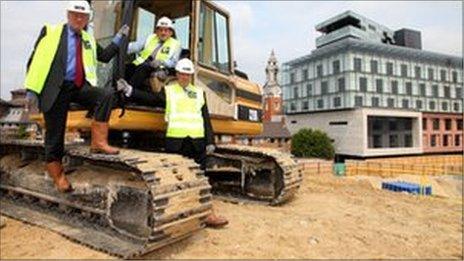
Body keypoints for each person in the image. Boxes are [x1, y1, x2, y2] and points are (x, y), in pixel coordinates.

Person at [24, 1, 130, 193]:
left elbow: (105, 56)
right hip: (55, 88)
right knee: (55, 135)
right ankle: (58, 175)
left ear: (88, 19)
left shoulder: (88, 39)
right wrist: (32, 89)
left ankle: (98, 141)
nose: (79, 18)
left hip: (78, 87)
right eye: (75, 14)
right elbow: (35, 59)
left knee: (106, 94)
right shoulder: (51, 31)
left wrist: (118, 39)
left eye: (83, 16)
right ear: (68, 14)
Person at [116, 59, 229, 228]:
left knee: (201, 179)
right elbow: (150, 99)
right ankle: (177, 212)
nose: (184, 77)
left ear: (191, 75)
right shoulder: (169, 91)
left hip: (197, 142)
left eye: (187, 74)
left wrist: (210, 140)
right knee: (175, 179)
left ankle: (206, 213)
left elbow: (205, 118)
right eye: (181, 73)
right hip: (176, 143)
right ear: (177, 74)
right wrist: (130, 90)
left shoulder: (199, 93)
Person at [126, 16, 182, 94]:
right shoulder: (150, 38)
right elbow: (135, 46)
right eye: (161, 30)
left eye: (166, 30)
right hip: (142, 64)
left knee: (143, 68)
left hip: (160, 69)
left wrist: (161, 62)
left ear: (171, 32)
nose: (163, 33)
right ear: (157, 31)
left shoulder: (176, 44)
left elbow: (174, 63)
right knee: (127, 68)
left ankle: (128, 92)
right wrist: (121, 47)